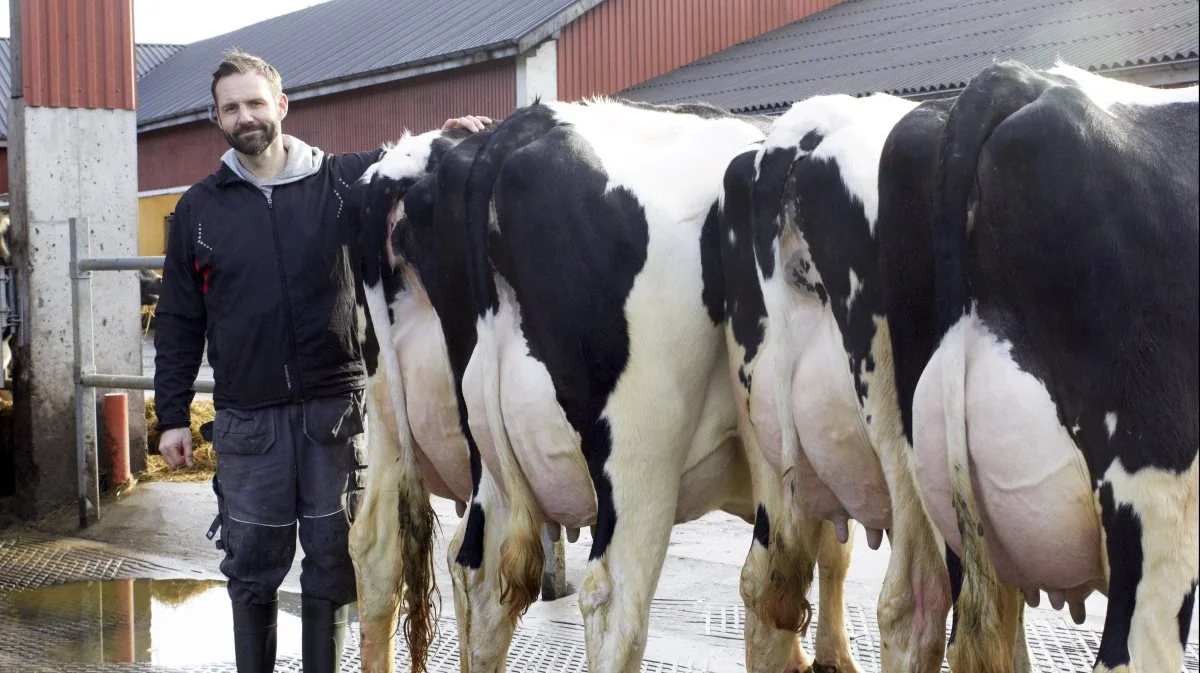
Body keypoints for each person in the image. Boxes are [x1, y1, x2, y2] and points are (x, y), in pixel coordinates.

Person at [152, 49, 490, 673]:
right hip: (249, 423)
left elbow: (406, 161)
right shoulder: (199, 209)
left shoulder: (341, 183)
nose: (245, 116)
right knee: (251, 566)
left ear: (281, 105)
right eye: (232, 108)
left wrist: (449, 135)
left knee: (334, 560)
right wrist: (171, 415)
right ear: (217, 120)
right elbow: (177, 320)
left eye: (256, 102)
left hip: (335, 414)